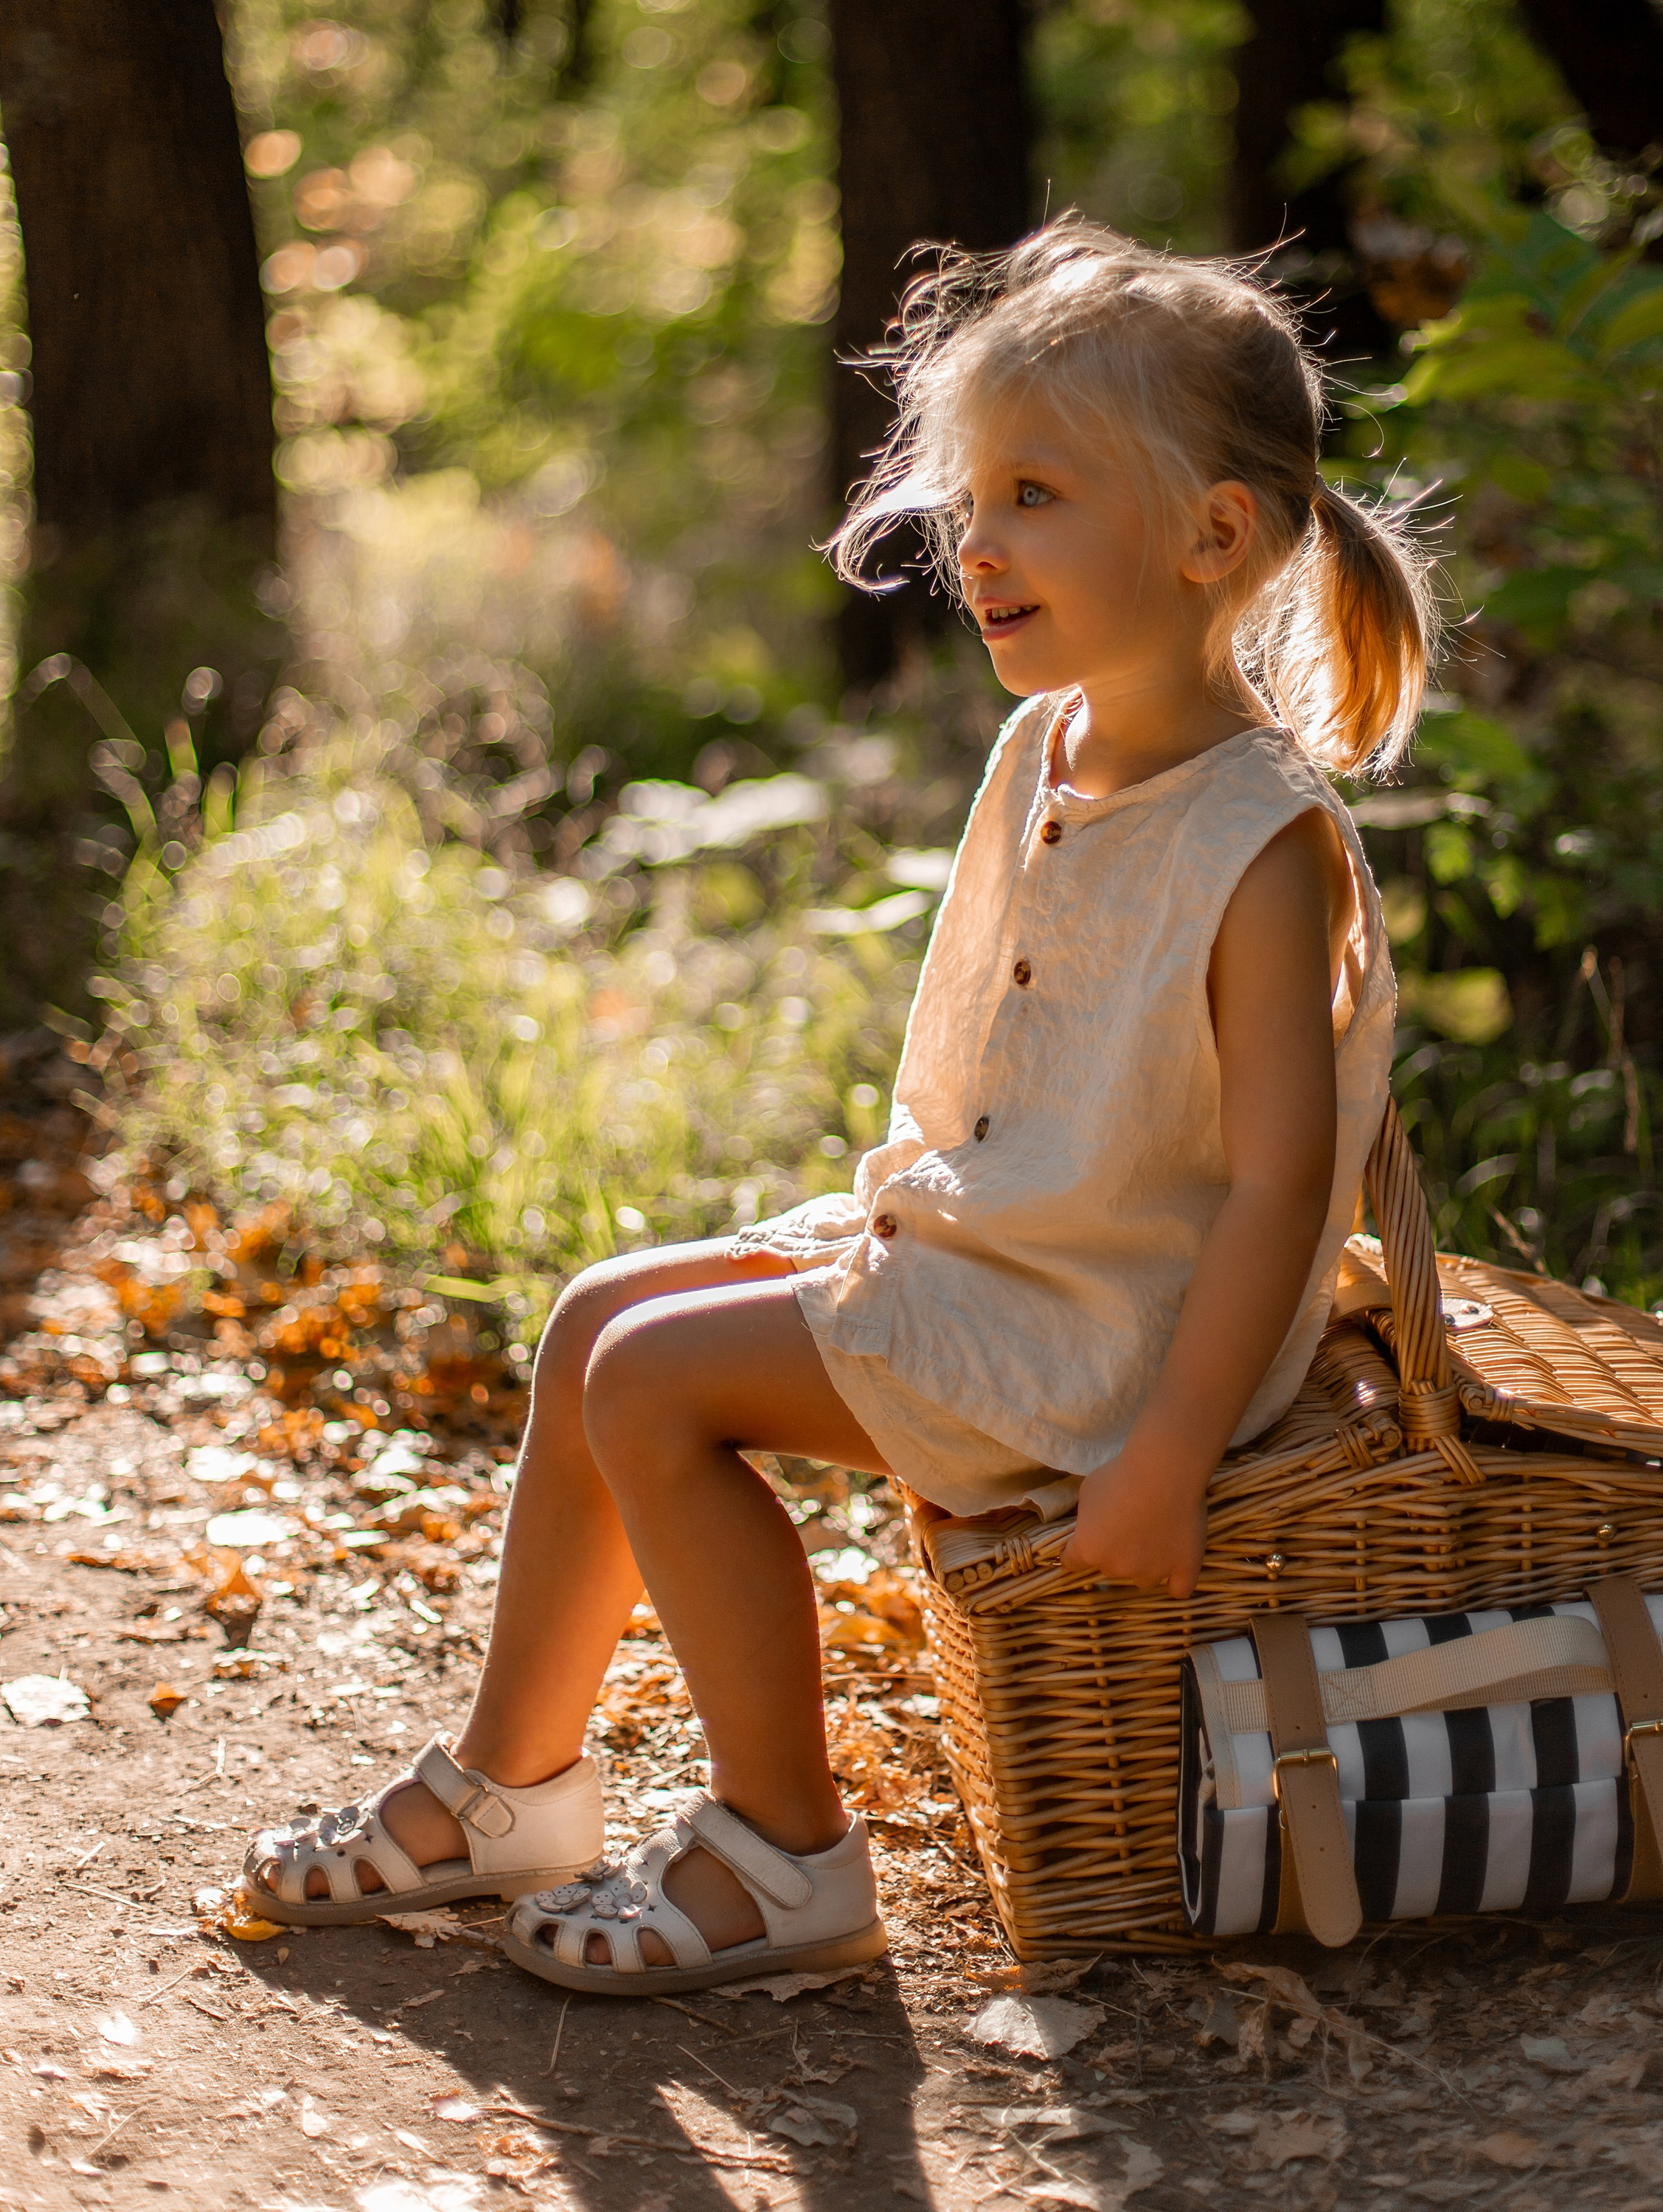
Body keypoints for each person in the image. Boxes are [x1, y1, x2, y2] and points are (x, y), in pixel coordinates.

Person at [243, 215, 1434, 1997]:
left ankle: (787, 1851)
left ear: (1212, 536)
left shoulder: (1255, 842)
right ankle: (515, 1786)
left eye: (1035, 494)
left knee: (656, 1384)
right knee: (594, 1321)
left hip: (1116, 1334)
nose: (976, 543)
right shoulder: (1050, 741)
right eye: (972, 499)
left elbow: (1279, 1186)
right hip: (1008, 1243)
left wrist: (1171, 1456)